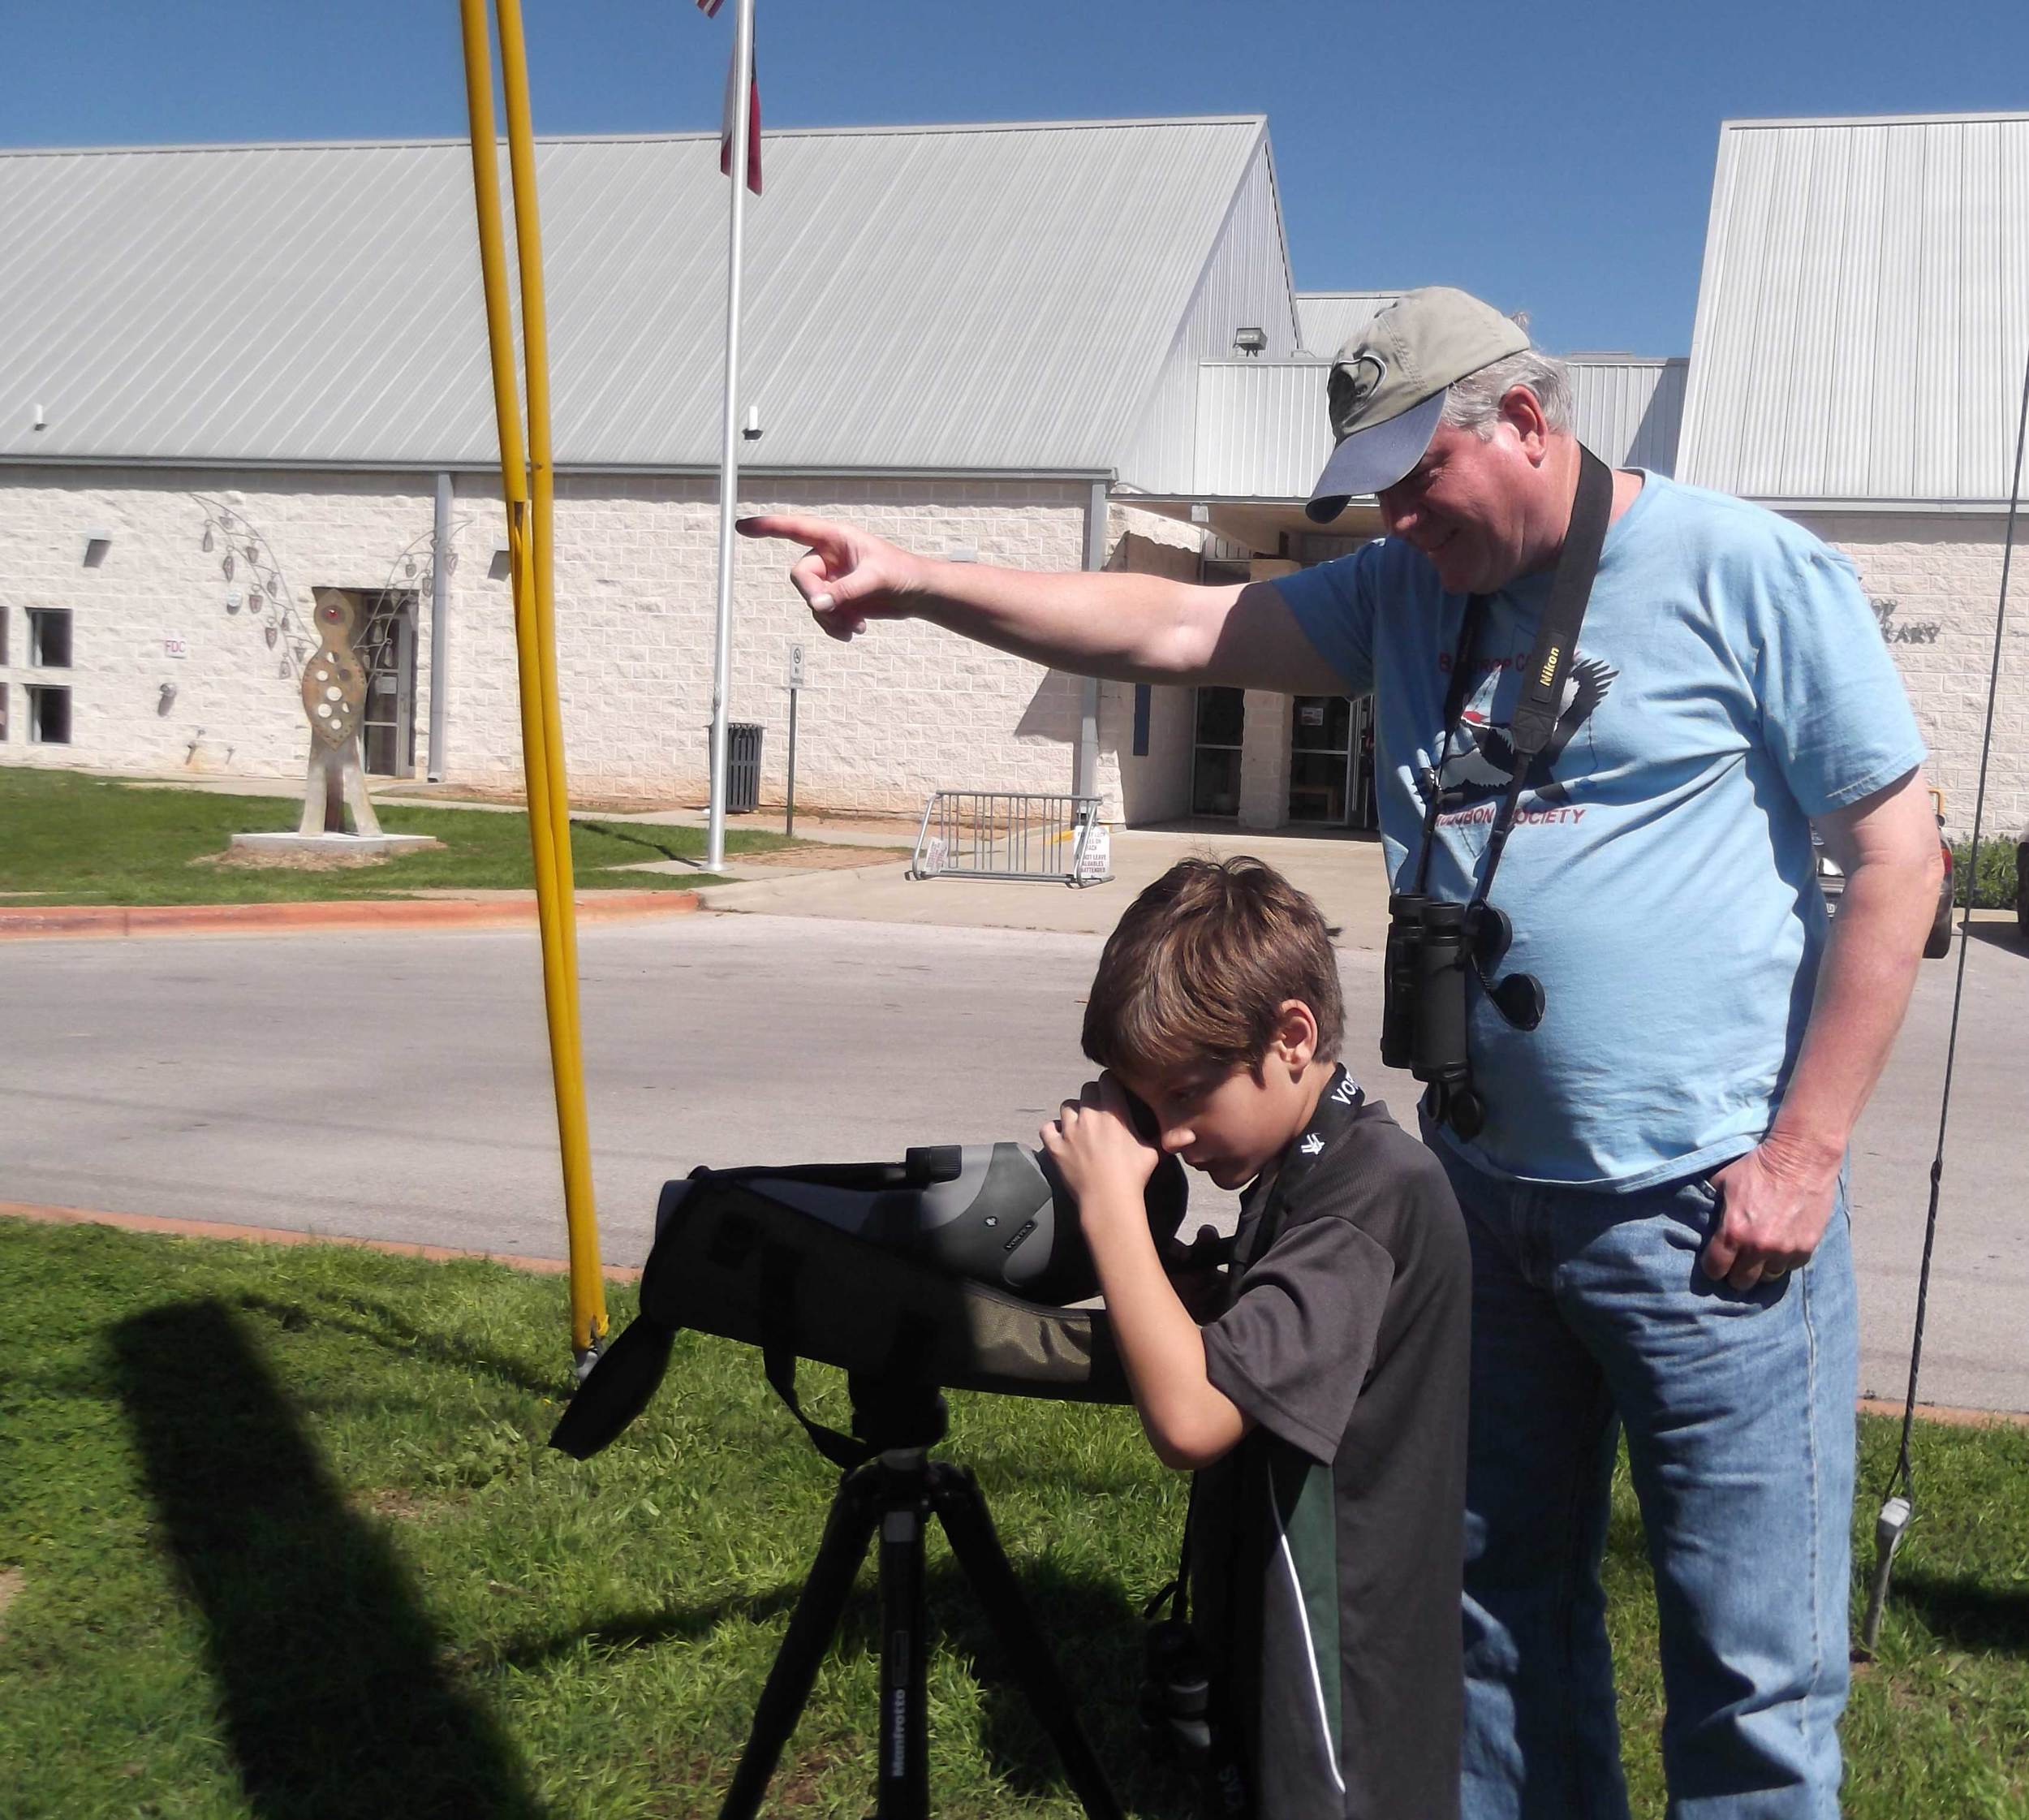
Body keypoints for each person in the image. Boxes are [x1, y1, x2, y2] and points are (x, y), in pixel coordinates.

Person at [739, 285, 1945, 1817]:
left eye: (1413, 473)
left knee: (1754, 1673)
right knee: (1498, 1620)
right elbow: (1176, 624)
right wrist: (916, 582)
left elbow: (1896, 860)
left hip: (1712, 1216)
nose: (1391, 512)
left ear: (1523, 419)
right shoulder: (1398, 589)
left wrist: (1804, 1154)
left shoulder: (1745, 569)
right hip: (1485, 1206)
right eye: (1370, 485)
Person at [1042, 855, 1470, 1820]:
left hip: (1341, 1693)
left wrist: (1111, 1206)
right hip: (1287, 1646)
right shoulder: (1314, 1171)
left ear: (1291, 1036)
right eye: (1150, 1110)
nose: (1173, 1137)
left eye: (1189, 1095)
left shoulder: (1371, 1197)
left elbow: (1192, 1419)